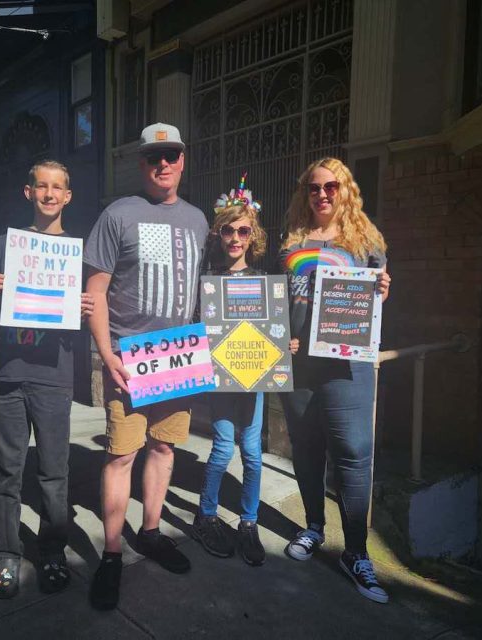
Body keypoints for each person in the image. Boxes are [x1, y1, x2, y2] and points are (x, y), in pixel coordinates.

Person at [84, 123, 209, 610]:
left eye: (171, 155)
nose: (163, 164)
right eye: (154, 156)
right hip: (130, 359)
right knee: (120, 455)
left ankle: (152, 531)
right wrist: (106, 355)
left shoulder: (199, 220)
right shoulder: (118, 214)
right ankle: (112, 553)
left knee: (164, 448)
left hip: (177, 357)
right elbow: (94, 293)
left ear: (183, 159)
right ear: (142, 163)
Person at [0, 160, 94, 599]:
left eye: (57, 188)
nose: (48, 194)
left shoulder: (78, 255)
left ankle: (51, 553)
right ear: (29, 192)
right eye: (40, 186)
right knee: (6, 472)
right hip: (9, 374)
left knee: (53, 472)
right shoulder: (4, 246)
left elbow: (86, 317)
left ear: (67, 196)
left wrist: (85, 310)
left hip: (54, 376)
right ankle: (5, 555)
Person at [279, 157, 392, 603]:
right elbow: (283, 300)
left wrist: (384, 288)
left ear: (345, 189)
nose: (322, 194)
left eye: (331, 186)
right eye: (313, 187)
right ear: (305, 193)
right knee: (306, 450)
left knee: (353, 454)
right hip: (300, 366)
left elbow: (378, 295)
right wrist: (280, 334)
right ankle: (313, 528)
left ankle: (356, 552)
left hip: (347, 366)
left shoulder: (366, 240)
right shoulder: (292, 241)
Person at [191, 178, 299, 567]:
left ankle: (248, 522)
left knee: (252, 451)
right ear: (218, 233)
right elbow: (199, 328)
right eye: (228, 230)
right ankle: (205, 514)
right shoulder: (207, 281)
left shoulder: (265, 279)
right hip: (222, 378)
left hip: (255, 377)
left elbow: (275, 329)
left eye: (243, 230)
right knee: (222, 448)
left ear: (253, 234)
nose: (235, 237)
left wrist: (285, 344)